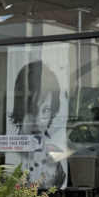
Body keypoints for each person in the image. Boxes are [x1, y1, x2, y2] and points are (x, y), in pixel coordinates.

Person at [10, 60, 66, 189]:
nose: (38, 120)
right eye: (32, 109)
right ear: (20, 108)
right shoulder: (7, 154)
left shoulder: (55, 160)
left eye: (46, 110)